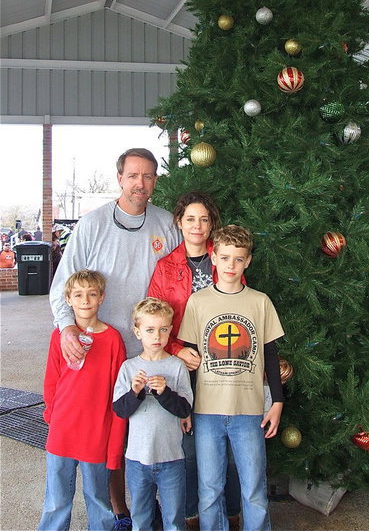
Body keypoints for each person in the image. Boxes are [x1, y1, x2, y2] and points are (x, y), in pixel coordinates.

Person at [49, 148, 182, 530]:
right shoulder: (92, 225)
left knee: (147, 430)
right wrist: (68, 328)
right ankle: (118, 508)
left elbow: (179, 280)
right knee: (109, 431)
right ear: (120, 178)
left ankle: (145, 506)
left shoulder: (165, 225)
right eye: (133, 176)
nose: (140, 183)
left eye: (149, 176)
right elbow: (64, 285)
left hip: (150, 348)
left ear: (156, 181)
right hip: (102, 349)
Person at [178, 225, 285, 531]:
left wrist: (277, 400)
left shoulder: (259, 301)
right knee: (209, 491)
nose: (231, 266)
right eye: (225, 258)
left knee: (253, 489)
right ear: (213, 257)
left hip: (248, 412)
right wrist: (186, 407)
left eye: (238, 259)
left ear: (248, 261)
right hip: (206, 412)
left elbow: (271, 353)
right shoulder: (198, 302)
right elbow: (189, 358)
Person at [147, 192, 241, 530]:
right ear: (179, 222)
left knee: (227, 445)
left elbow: (240, 312)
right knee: (185, 448)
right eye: (190, 219)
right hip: (181, 367)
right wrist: (174, 349)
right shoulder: (166, 267)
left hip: (221, 365)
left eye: (204, 219)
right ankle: (190, 515)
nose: (197, 226)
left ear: (212, 223)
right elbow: (153, 318)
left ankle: (232, 513)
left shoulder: (226, 260)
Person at [39, 270, 127, 531]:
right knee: (56, 499)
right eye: (78, 294)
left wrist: (113, 444)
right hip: (62, 431)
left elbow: (118, 393)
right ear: (68, 299)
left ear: (102, 297)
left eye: (91, 294)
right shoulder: (60, 337)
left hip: (96, 433)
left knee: (99, 500)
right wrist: (52, 417)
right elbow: (51, 381)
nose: (85, 300)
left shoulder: (112, 340)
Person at [113, 298, 193, 531]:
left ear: (170, 330)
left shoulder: (176, 366)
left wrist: (164, 392)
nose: (157, 336)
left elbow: (184, 408)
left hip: (171, 458)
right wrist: (135, 392)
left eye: (163, 329)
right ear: (138, 332)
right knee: (141, 518)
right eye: (149, 330)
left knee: (174, 521)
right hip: (138, 459)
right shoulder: (128, 368)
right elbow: (120, 410)